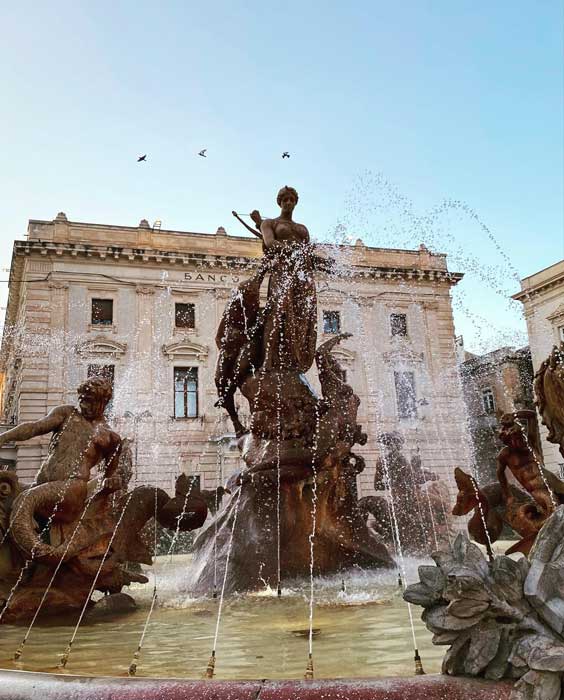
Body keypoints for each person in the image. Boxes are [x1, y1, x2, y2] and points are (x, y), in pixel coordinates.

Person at [0, 377, 123, 560]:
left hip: (71, 490)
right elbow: (34, 427)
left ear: (103, 402)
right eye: (81, 400)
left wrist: (112, 481)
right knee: (6, 499)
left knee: (25, 500)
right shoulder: (66, 413)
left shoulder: (110, 437)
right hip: (42, 485)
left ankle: (42, 553)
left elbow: (110, 474)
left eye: (88, 402)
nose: (83, 406)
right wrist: (3, 437)